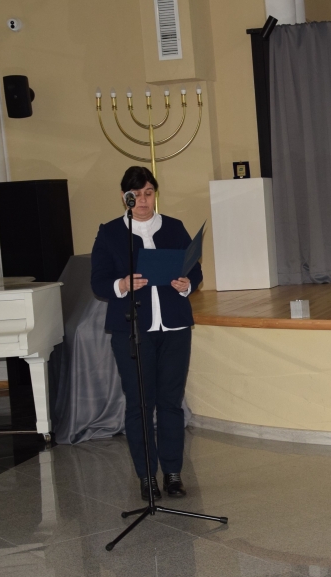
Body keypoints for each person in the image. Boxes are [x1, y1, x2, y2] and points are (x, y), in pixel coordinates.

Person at [90, 166, 202, 501]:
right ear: (124, 197)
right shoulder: (111, 233)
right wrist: (122, 285)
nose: (143, 200)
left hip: (174, 327)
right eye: (136, 194)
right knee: (140, 404)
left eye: (148, 193)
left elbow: (194, 269)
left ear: (155, 194)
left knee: (170, 402)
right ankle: (146, 477)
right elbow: (98, 281)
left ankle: (173, 473)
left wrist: (187, 284)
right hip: (132, 330)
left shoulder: (174, 227)